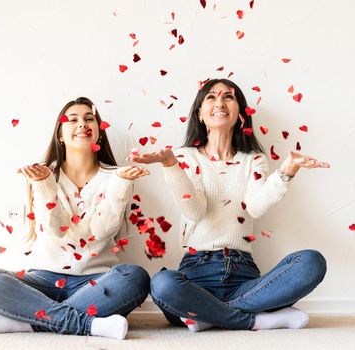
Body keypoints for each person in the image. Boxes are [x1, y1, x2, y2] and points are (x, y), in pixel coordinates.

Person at [129, 79, 329, 332]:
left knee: (311, 261)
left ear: (240, 113)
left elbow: (255, 207)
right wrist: (170, 165)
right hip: (195, 275)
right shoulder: (183, 156)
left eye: (228, 97)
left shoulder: (253, 159)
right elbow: (195, 211)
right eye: (211, 97)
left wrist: (286, 171)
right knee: (163, 284)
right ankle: (252, 319)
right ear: (200, 113)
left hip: (243, 275)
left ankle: (208, 315)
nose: (220, 103)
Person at [0, 97, 151, 339]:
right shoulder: (42, 174)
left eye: (89, 119)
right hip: (42, 280)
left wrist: (121, 185)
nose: (82, 124)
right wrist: (44, 185)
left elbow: (102, 230)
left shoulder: (117, 176)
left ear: (99, 132)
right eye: (73, 120)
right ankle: (88, 325)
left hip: (96, 281)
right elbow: (56, 229)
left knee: (135, 276)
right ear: (60, 135)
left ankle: (32, 323)